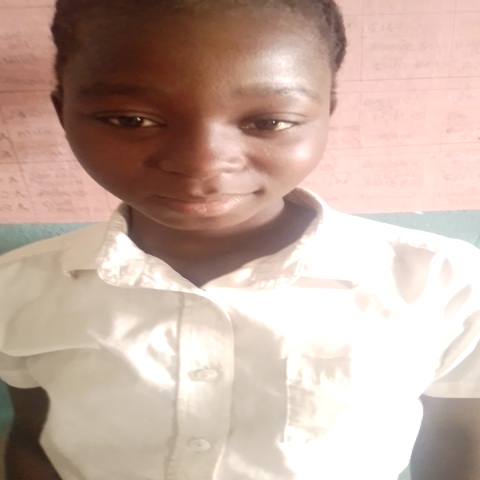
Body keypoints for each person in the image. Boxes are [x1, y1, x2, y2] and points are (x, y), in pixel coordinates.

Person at [1, 0, 480, 479]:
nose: (201, 163)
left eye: (268, 122)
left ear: (327, 111)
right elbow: (32, 438)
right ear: (64, 113)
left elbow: (458, 439)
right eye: (131, 119)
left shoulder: (442, 283)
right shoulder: (18, 287)